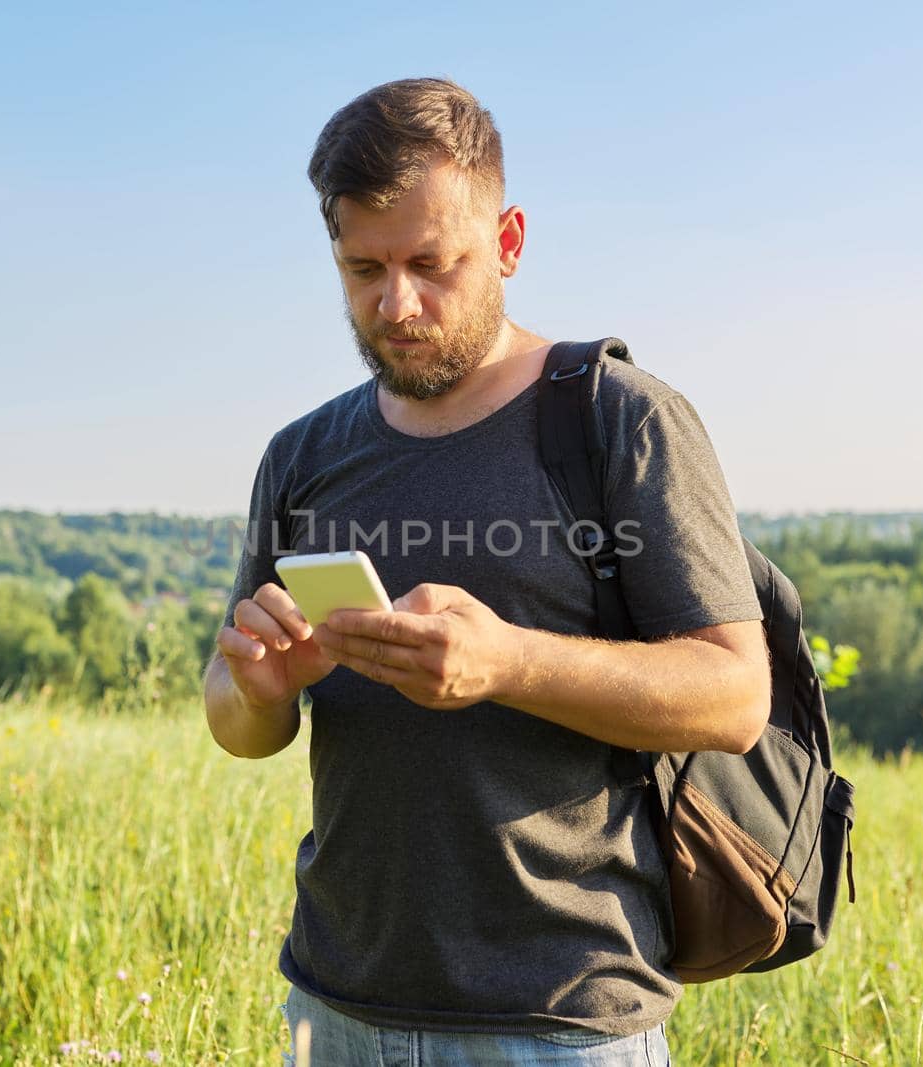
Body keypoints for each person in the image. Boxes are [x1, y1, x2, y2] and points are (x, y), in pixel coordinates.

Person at [203, 77, 770, 1066]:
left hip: (560, 1019)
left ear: (507, 242)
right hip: (335, 1005)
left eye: (431, 262)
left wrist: (506, 662)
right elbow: (243, 724)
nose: (397, 303)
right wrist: (252, 689)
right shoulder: (301, 454)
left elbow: (732, 692)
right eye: (362, 269)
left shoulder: (617, 419)